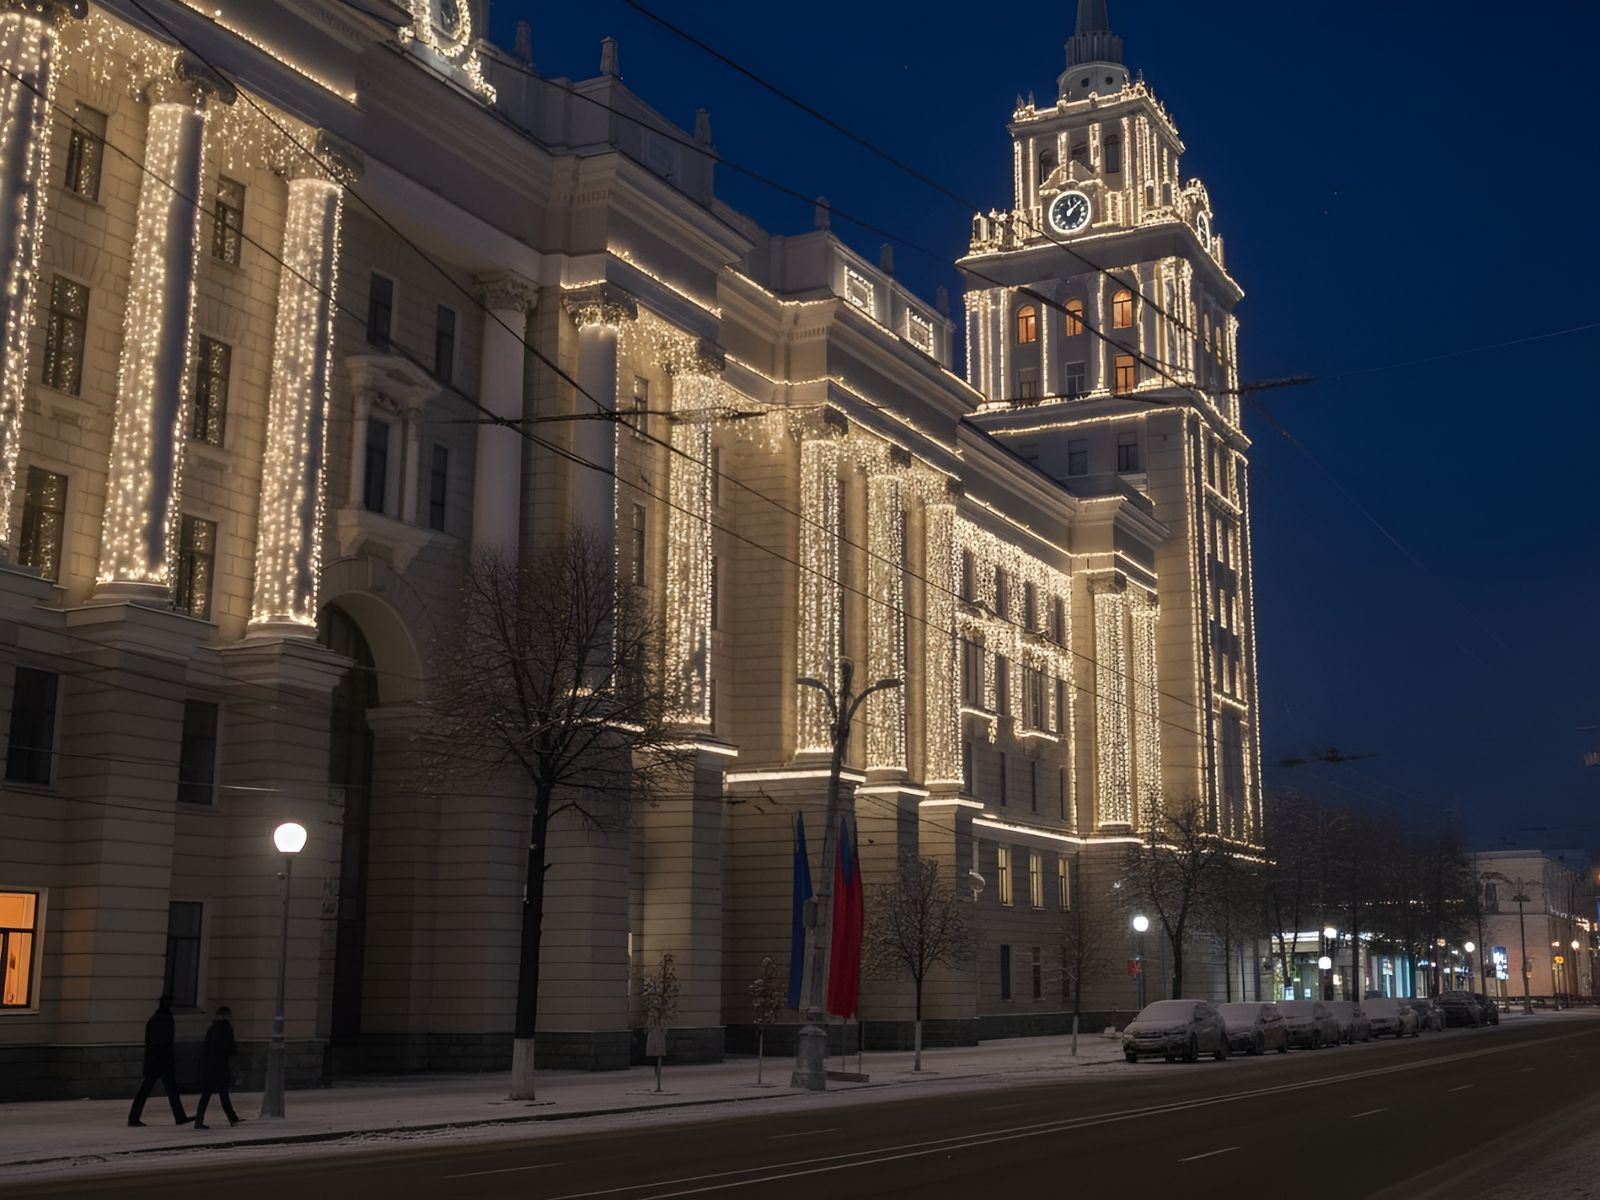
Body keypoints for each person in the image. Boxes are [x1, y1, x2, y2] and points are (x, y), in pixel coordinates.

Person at [128, 995, 189, 1126]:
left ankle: (133, 1117)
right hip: (162, 1062)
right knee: (171, 1090)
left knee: (145, 1091)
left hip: (153, 1062)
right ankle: (179, 1116)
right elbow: (166, 1044)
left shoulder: (154, 1019)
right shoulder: (166, 1019)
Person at [193, 1005, 241, 1129]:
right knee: (223, 1093)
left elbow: (206, 1048)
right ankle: (232, 1118)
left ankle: (199, 1120)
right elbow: (230, 1049)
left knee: (206, 1095)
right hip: (221, 1066)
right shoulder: (226, 1028)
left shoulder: (212, 1028)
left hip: (208, 1066)